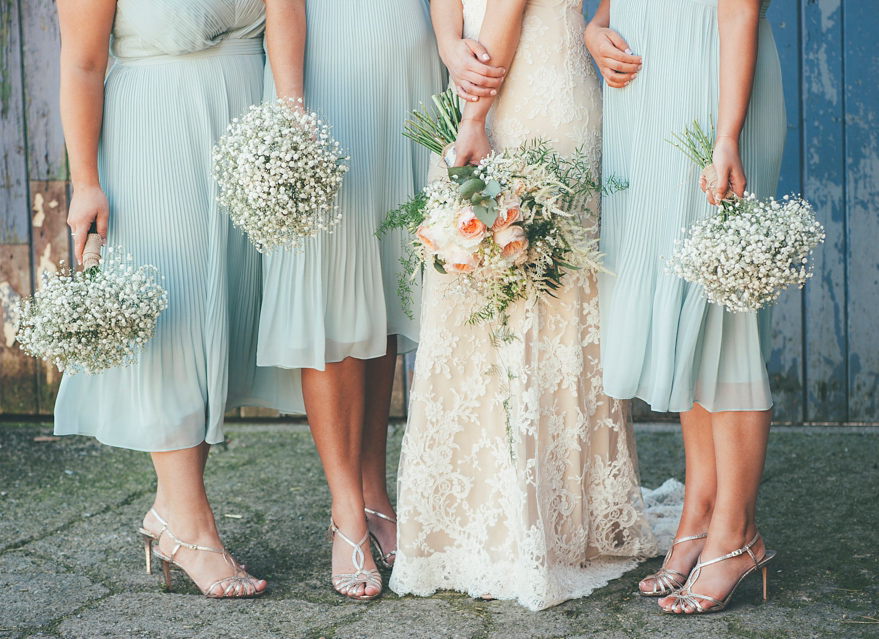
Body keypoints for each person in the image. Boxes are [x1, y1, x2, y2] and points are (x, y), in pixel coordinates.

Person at [390, 0, 660, 612]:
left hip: (528, 99)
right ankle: (532, 515)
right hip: (493, 79)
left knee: (519, 306)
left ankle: (522, 528)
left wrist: (473, 112)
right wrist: (449, 45)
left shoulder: (481, 111)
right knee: (499, 300)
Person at [53, 0, 289, 597]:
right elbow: (82, 62)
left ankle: (169, 512)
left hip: (245, 125)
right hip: (157, 128)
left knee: (217, 317)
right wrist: (84, 182)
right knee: (176, 315)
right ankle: (190, 526)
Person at [587, 0, 785, 614]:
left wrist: (726, 136)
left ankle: (737, 533)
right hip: (646, 113)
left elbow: (736, 15)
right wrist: (596, 31)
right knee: (684, 317)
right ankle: (698, 516)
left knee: (725, 321)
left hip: (712, 98)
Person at [260, 0, 443, 601]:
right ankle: (346, 510)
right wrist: (292, 109)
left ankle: (374, 490)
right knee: (332, 296)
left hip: (408, 72)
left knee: (383, 293)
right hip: (327, 72)